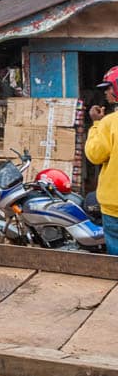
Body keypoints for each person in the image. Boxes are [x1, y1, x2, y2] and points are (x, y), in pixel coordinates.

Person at [85, 66, 118, 255]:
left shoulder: (109, 123)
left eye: (109, 88)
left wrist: (96, 123)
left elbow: (95, 155)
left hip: (114, 208)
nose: (106, 92)